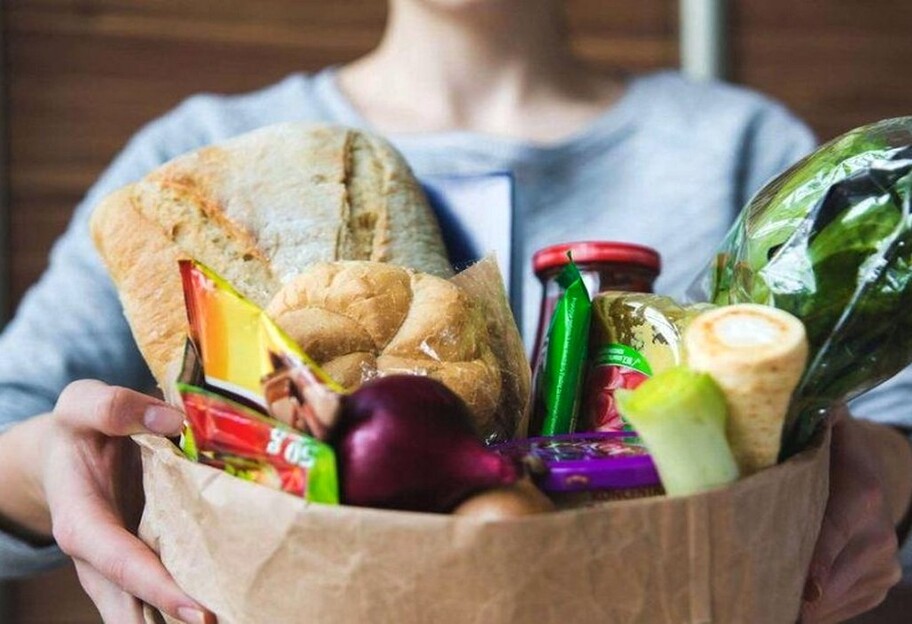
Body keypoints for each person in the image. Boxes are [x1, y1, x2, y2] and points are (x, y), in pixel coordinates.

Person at [0, 0, 910, 622]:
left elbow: (895, 434)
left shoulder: (742, 149)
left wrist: (882, 477)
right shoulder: (190, 154)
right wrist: (56, 469)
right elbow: (15, 419)